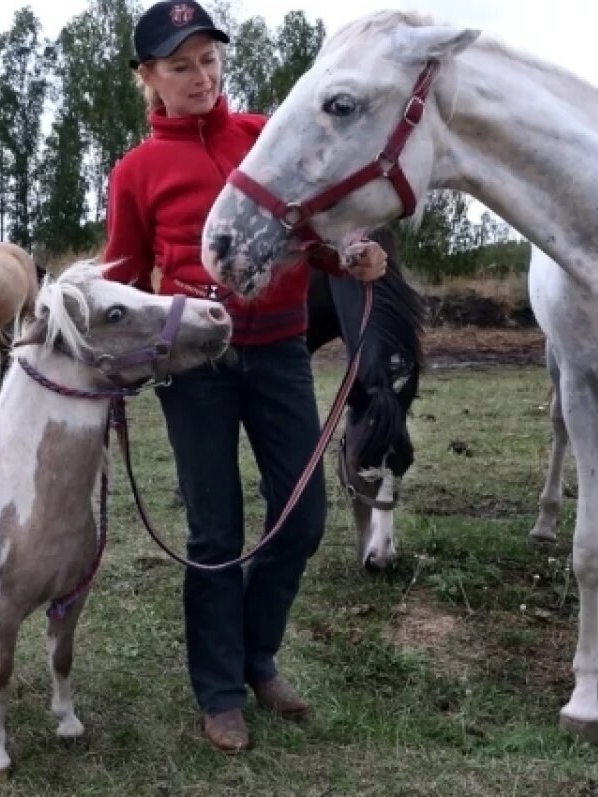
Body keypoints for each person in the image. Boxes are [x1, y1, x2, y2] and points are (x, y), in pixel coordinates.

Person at [102, 0, 388, 753]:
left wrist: (351, 254)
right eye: (180, 66)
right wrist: (132, 342)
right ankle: (221, 689)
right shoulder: (135, 173)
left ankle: (259, 656)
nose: (201, 77)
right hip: (194, 367)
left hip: (281, 351)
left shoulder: (262, 136)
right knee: (216, 530)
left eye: (209, 60)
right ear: (148, 78)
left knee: (303, 518)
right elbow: (127, 281)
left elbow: (316, 233)